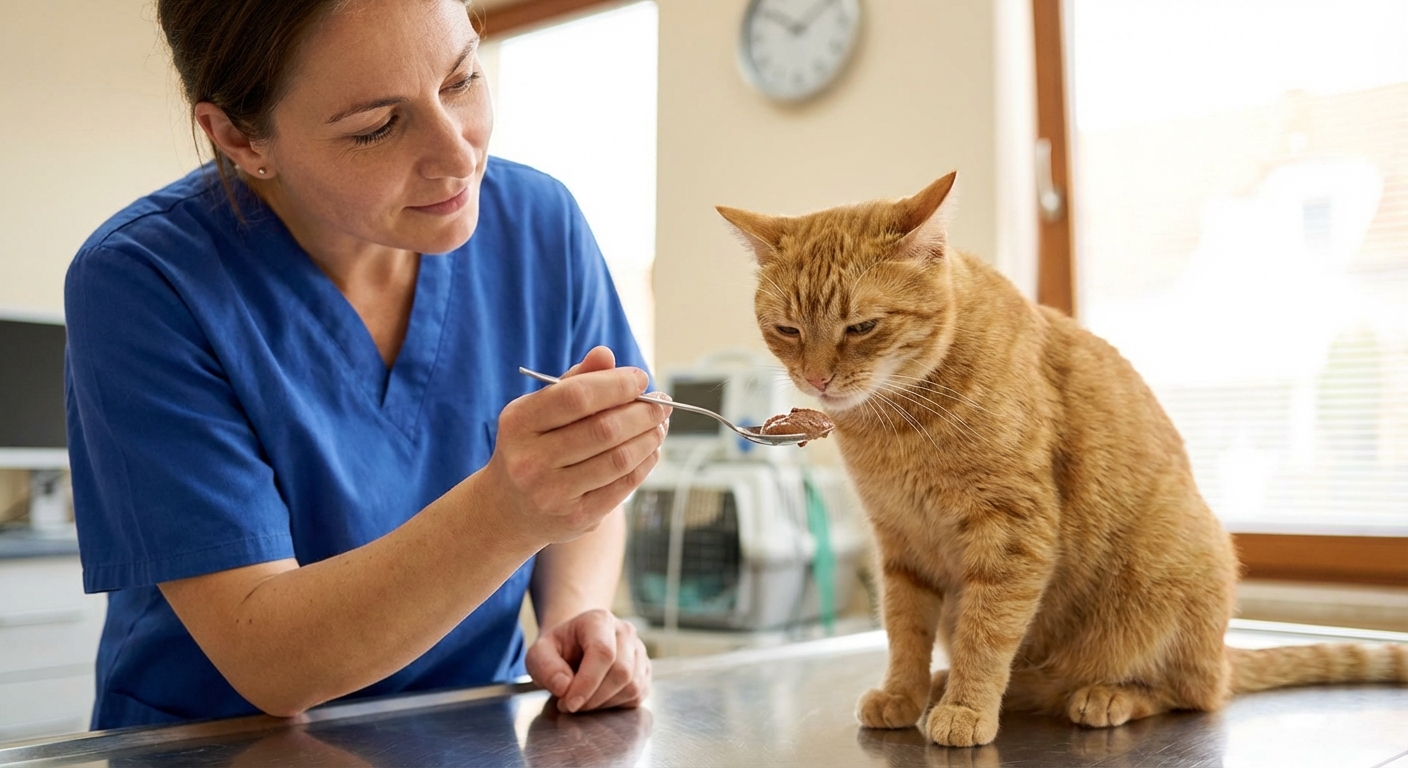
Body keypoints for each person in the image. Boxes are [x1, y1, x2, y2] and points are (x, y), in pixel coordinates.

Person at [64, 0, 669, 729]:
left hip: (468, 730)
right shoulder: (143, 280)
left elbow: (586, 477)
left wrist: (575, 613)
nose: (459, 154)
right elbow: (269, 661)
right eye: (375, 127)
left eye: (462, 80)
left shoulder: (540, 223)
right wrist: (507, 512)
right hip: (225, 744)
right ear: (238, 137)